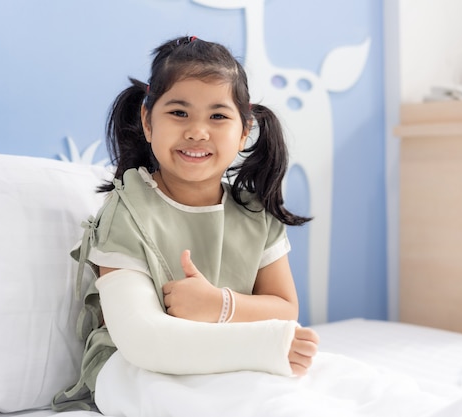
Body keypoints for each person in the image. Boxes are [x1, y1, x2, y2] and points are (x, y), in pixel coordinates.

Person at [52, 35, 319, 412]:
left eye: (218, 116)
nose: (197, 131)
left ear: (244, 131)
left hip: (226, 355)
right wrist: (264, 345)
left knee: (295, 394)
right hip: (136, 363)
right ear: (147, 121)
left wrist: (220, 305)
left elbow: (284, 309)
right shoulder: (126, 211)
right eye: (179, 113)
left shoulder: (254, 213)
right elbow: (142, 338)